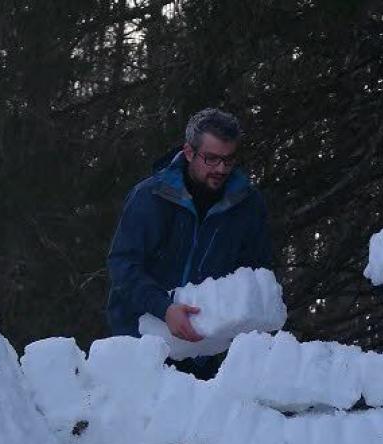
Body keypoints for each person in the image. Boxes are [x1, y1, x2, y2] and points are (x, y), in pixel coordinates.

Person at [106, 108, 272, 378]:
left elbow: (256, 274)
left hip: (207, 353)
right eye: (211, 158)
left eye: (229, 160)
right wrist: (164, 308)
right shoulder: (150, 197)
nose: (221, 169)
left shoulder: (248, 205)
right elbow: (123, 266)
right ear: (189, 152)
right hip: (141, 345)